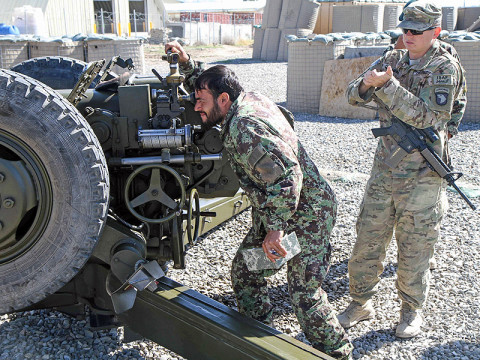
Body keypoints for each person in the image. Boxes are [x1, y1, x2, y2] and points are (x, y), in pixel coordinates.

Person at [164, 41, 353, 359]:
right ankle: (260, 341)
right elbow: (211, 82)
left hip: (306, 216)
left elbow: (288, 178)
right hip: (280, 211)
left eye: (202, 102)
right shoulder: (242, 98)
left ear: (223, 100)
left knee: (304, 292)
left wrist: (276, 230)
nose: (197, 108)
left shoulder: (244, 128)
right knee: (247, 272)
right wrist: (187, 63)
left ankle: (338, 353)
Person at [337, 0, 467, 339]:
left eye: (415, 31)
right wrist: (368, 85)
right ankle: (360, 302)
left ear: (435, 32)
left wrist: (387, 87)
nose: (406, 36)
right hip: (385, 168)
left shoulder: (443, 68)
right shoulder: (391, 58)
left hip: (423, 174)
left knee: (415, 245)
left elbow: (430, 117)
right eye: (404, 29)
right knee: (368, 237)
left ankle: (411, 310)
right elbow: (353, 95)